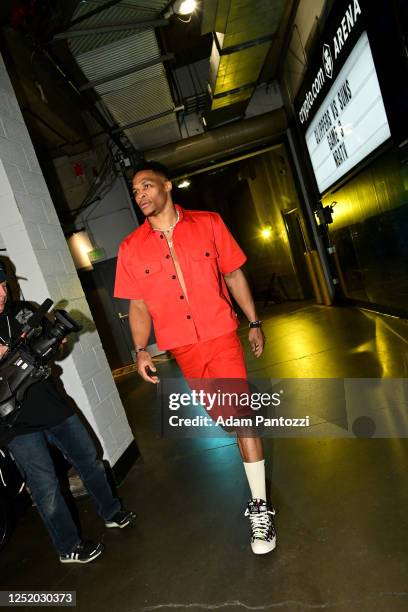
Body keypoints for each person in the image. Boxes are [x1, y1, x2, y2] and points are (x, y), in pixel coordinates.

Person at [114, 160, 276, 554]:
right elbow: (137, 305)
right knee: (225, 418)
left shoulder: (208, 223)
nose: (141, 196)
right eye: (135, 192)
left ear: (167, 186)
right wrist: (139, 350)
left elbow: (234, 275)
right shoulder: (131, 248)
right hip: (183, 347)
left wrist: (254, 322)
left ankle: (260, 510)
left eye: (147, 186)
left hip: (221, 334)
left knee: (239, 415)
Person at [0, 263, 136, 563]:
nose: (0, 293)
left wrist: (58, 343)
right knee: (46, 488)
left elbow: (56, 351)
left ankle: (112, 512)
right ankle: (68, 547)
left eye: (2, 286)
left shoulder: (24, 311)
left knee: (90, 461)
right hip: (15, 425)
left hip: (55, 407)